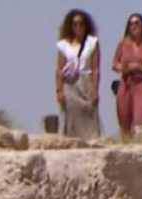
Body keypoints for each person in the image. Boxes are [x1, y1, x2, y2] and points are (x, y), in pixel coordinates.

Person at [55, 9, 102, 140]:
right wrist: (59, 91)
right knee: (71, 116)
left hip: (86, 82)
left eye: (81, 23)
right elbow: (59, 69)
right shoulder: (64, 45)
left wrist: (95, 91)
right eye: (75, 24)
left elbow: (96, 68)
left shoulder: (92, 43)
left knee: (89, 114)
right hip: (70, 84)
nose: (78, 26)